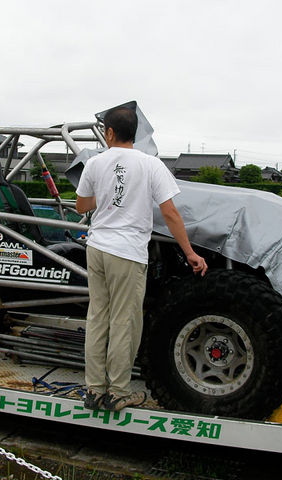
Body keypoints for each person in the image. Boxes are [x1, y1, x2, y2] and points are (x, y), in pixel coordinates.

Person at [76, 107, 208, 412]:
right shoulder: (151, 165)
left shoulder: (95, 163)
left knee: (98, 318)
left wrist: (107, 193)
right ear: (134, 133)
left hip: (97, 249)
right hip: (127, 253)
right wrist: (189, 252)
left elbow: (82, 205)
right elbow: (170, 212)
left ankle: (94, 390)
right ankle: (118, 392)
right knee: (124, 322)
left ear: (109, 133)